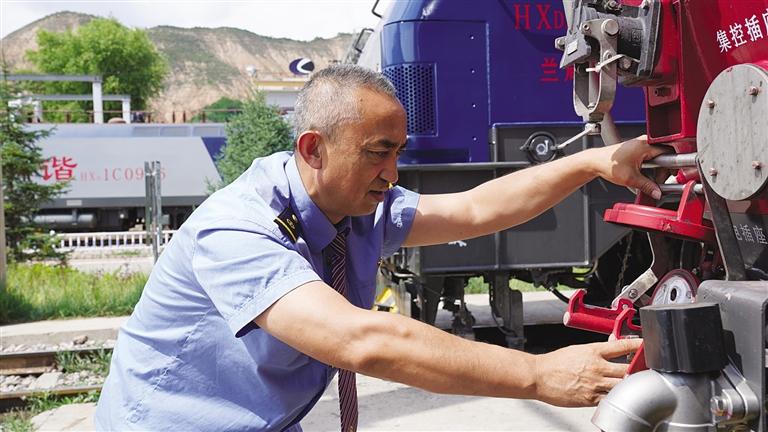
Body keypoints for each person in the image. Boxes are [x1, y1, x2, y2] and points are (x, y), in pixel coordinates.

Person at [96, 64, 661, 431]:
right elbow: (360, 340)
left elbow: (476, 209)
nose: (392, 173)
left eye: (397, 153)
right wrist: (538, 375)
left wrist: (592, 163)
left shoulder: (357, 207)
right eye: (377, 152)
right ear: (313, 149)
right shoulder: (238, 231)